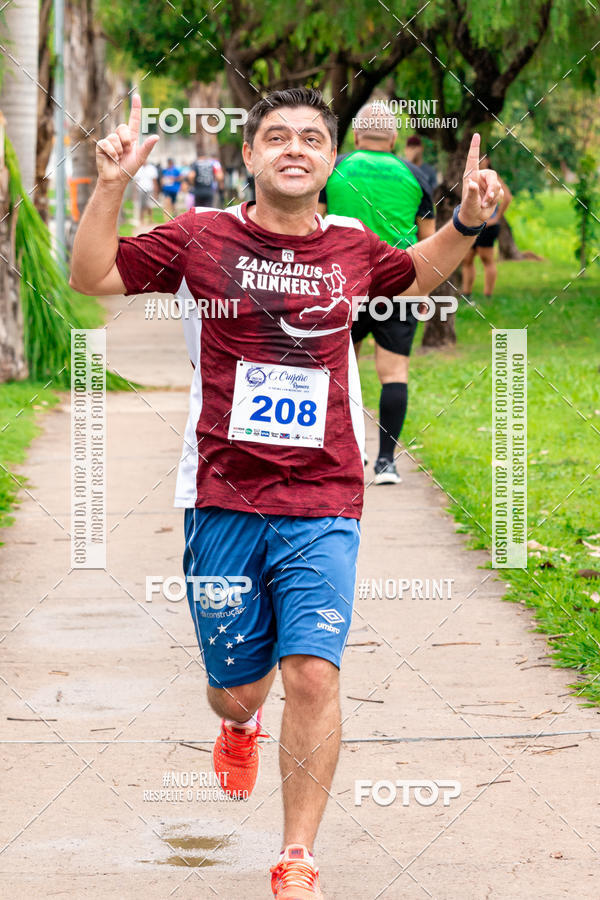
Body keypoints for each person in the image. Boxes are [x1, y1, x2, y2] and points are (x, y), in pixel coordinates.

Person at [69, 88, 502, 899]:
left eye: (311, 137)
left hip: (326, 495)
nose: (294, 148)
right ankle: (238, 723)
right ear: (251, 157)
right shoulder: (202, 237)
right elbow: (92, 276)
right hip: (224, 496)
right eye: (277, 137)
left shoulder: (352, 245)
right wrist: (113, 183)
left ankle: (296, 854)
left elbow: (413, 279)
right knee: (237, 685)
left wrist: (470, 222)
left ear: (331, 162)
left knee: (312, 672)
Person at [318, 102, 436, 485]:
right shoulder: (416, 176)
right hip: (398, 285)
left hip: (340, 282)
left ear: (355, 136)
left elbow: (314, 225)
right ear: (395, 138)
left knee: (336, 370)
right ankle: (386, 462)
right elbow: (429, 243)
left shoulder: (332, 170)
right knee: (394, 372)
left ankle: (346, 453)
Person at [461, 152, 512, 298]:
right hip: (471, 225)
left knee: (486, 259)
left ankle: (487, 294)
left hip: (488, 225)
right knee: (467, 258)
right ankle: (466, 293)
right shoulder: (470, 177)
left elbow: (507, 197)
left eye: (482, 159)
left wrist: (496, 217)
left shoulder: (493, 177)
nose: (479, 161)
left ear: (488, 161)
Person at [133, 159, 158, 224]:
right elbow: (136, 181)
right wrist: (135, 192)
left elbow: (154, 181)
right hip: (140, 189)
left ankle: (150, 219)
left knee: (149, 205)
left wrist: (156, 192)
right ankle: (141, 220)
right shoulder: (139, 168)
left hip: (149, 189)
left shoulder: (152, 168)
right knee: (141, 205)